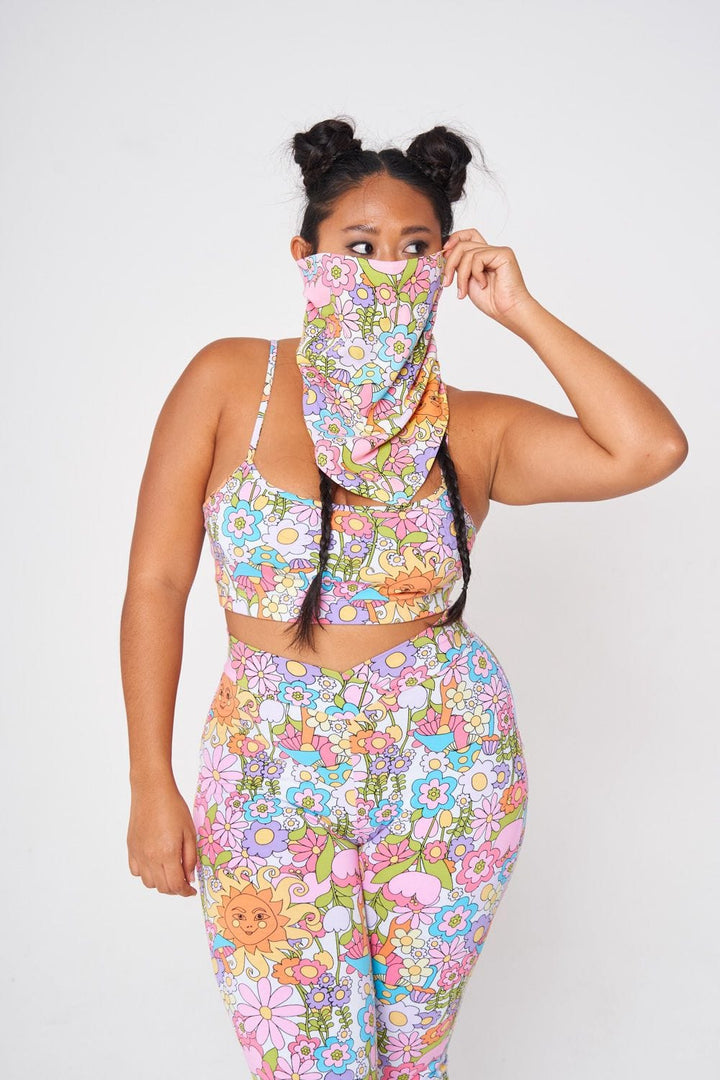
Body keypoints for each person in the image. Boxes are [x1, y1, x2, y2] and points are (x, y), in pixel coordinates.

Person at [121, 117, 688, 1080]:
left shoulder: (474, 428)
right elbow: (156, 584)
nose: (388, 269)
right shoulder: (229, 380)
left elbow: (650, 448)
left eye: (416, 248)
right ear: (305, 257)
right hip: (265, 767)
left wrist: (521, 310)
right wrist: (150, 783)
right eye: (359, 246)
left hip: (447, 764)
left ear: (447, 262)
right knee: (305, 1057)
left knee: (409, 1058)